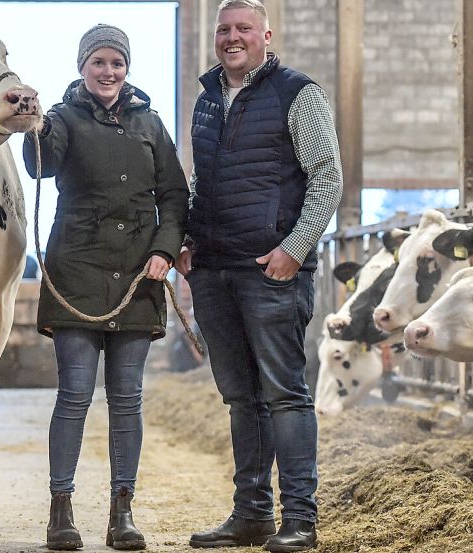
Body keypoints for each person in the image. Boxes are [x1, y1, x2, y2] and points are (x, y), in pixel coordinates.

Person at [175, 1, 342, 551]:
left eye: (243, 28)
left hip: (271, 272)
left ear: (266, 36)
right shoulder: (205, 103)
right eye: (224, 29)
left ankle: (300, 519)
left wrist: (293, 250)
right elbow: (202, 185)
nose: (231, 37)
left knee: (285, 395)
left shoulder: (298, 92)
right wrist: (188, 240)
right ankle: (251, 514)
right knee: (240, 398)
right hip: (215, 271)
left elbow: (327, 180)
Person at [23, 24, 188, 552]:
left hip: (139, 273)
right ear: (82, 67)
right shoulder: (64, 120)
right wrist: (35, 127)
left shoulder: (150, 123)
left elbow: (175, 194)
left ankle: (123, 512)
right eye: (98, 62)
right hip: (78, 270)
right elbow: (37, 166)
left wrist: (164, 250)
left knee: (127, 399)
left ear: (127, 67)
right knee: (74, 394)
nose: (108, 71)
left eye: (116, 62)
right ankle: (61, 510)